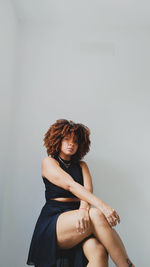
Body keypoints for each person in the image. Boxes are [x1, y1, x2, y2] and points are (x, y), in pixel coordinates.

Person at [26, 119, 135, 267]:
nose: (71, 143)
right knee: (96, 214)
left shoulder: (82, 166)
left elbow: (87, 190)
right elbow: (71, 185)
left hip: (80, 214)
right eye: (66, 139)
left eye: (75, 141)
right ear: (58, 140)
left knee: (99, 252)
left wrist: (83, 209)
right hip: (55, 219)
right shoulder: (49, 162)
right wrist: (103, 207)